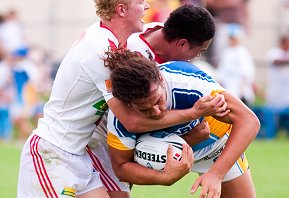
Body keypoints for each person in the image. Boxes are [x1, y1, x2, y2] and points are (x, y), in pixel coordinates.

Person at [17, 1, 227, 198]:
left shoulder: (116, 40)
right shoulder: (101, 50)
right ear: (121, 10)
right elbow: (131, 121)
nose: (146, 6)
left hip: (82, 151)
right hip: (53, 151)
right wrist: (194, 113)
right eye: (139, 2)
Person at [88, 4, 229, 197]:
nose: (194, 59)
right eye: (197, 52)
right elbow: (132, 121)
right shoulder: (133, 60)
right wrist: (192, 119)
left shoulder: (159, 38)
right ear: (182, 44)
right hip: (114, 141)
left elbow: (248, 120)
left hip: (208, 139)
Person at [104, 48, 259, 198]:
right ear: (129, 106)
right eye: (145, 110)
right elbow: (121, 167)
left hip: (214, 144)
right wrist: (164, 177)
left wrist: (216, 174)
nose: (157, 112)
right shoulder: (120, 116)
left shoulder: (187, 81)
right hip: (160, 154)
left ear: (161, 80)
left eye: (158, 100)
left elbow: (249, 121)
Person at [265, 35, 289, 138]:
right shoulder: (274, 52)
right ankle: (272, 137)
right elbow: (276, 61)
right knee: (274, 119)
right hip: (277, 96)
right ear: (283, 43)